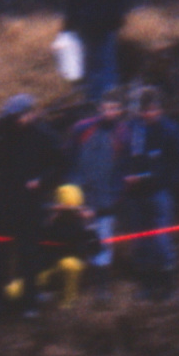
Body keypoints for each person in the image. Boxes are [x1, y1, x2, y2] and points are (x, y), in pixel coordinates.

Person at [0, 93, 67, 314]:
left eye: (21, 116)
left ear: (32, 113)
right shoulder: (4, 134)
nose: (17, 121)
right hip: (3, 201)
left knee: (28, 254)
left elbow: (59, 166)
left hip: (30, 203)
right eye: (14, 117)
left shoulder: (45, 136)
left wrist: (41, 181)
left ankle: (29, 302)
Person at [120, 86, 179, 299]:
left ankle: (169, 287)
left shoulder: (170, 130)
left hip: (159, 192)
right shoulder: (130, 130)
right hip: (134, 195)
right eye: (144, 110)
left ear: (159, 109)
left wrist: (166, 182)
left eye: (152, 109)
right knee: (140, 241)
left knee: (161, 239)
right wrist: (125, 178)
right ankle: (146, 286)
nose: (148, 114)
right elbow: (120, 157)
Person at [64, 88, 128, 270]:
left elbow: (122, 170)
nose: (110, 112)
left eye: (115, 108)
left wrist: (112, 199)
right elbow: (70, 159)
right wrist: (75, 192)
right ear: (100, 108)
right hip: (81, 192)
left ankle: (102, 281)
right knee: (80, 236)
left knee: (104, 240)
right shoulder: (82, 128)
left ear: (121, 110)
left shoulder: (124, 134)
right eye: (107, 108)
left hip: (106, 196)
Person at [37, 184, 103, 305]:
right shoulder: (52, 221)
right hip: (48, 267)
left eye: (72, 208)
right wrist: (50, 219)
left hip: (71, 266)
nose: (68, 211)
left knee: (70, 265)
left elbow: (96, 248)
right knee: (13, 291)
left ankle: (68, 301)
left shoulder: (82, 225)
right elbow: (38, 242)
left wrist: (88, 224)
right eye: (65, 207)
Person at [62, 0, 128, 102]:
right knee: (103, 65)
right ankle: (107, 102)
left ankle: (99, 102)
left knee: (96, 66)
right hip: (101, 22)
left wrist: (68, 26)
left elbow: (72, 3)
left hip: (90, 22)